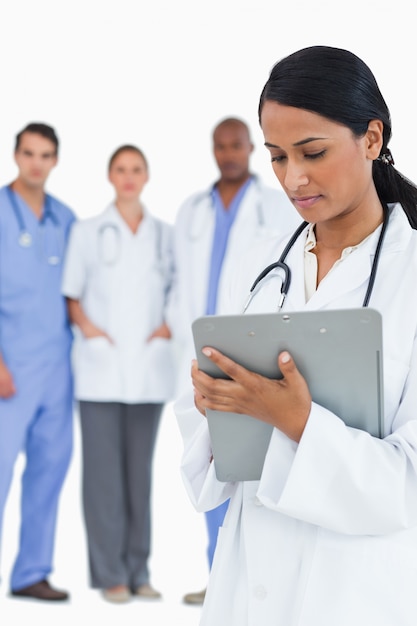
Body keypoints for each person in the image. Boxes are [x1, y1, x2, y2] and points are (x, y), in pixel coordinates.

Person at [175, 45, 417, 626]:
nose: (293, 178)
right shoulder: (259, 266)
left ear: (372, 139)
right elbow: (211, 453)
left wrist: (299, 423)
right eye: (278, 157)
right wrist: (214, 404)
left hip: (359, 587)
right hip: (248, 578)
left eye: (313, 153)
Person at [167, 117, 300, 604]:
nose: (228, 154)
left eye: (236, 146)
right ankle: (217, 576)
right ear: (213, 149)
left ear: (250, 149)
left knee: (250, 464)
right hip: (199, 349)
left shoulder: (274, 206)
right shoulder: (191, 210)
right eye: (220, 146)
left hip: (247, 347)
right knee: (210, 462)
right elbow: (179, 280)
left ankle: (253, 579)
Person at [61, 144, 175, 603]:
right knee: (103, 478)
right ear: (110, 177)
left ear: (146, 177)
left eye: (136, 169)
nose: (128, 177)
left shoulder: (165, 235)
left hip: (148, 369)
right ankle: (111, 574)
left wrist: (166, 327)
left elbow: (178, 288)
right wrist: (92, 333)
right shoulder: (88, 232)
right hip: (100, 370)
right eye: (120, 170)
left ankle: (139, 570)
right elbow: (71, 294)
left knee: (139, 476)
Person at [0, 123, 76, 601]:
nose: (36, 163)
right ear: (15, 155)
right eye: (28, 153)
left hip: (58, 367)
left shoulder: (65, 219)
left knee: (49, 469)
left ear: (55, 161)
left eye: (45, 155)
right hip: (10, 367)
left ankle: (31, 572)